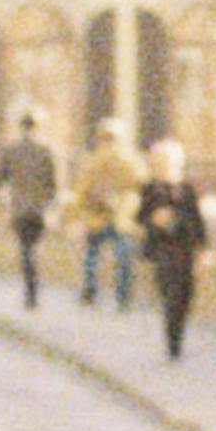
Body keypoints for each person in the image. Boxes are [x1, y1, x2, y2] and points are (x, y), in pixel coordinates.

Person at [138, 141, 211, 363]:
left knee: (186, 296)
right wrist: (154, 219)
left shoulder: (188, 189)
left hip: (186, 247)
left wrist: (205, 250)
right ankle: (173, 346)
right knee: (169, 294)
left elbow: (198, 221)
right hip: (163, 249)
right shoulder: (150, 188)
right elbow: (139, 216)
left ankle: (177, 338)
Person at [74, 123, 145, 311]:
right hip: (104, 218)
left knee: (115, 257)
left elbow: (139, 189)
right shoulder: (97, 162)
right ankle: (100, 293)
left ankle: (117, 295)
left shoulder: (124, 162)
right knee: (96, 258)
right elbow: (82, 191)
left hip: (116, 218)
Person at [0, 114, 62, 310]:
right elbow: (53, 184)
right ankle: (33, 291)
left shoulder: (10, 150)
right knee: (33, 248)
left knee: (25, 250)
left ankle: (30, 293)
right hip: (38, 209)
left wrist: (0, 207)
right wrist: (52, 206)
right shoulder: (45, 151)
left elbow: (0, 180)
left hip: (19, 208)